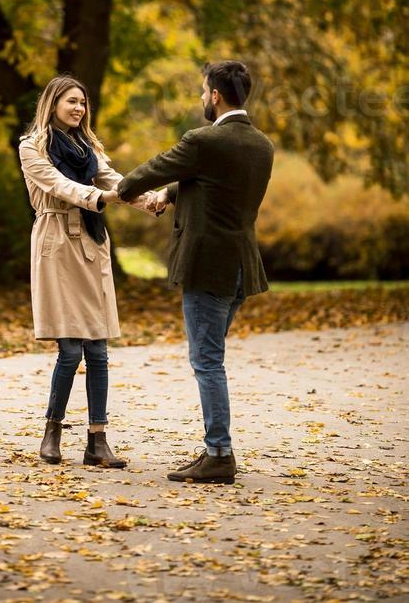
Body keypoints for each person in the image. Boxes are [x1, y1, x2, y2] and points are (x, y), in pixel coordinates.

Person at [116, 60, 275, 484]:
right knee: (211, 358)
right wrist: (168, 196)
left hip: (209, 269)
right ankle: (214, 448)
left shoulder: (203, 140)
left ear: (216, 95)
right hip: (242, 266)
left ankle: (219, 454)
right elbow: (214, 186)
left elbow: (156, 167)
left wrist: (123, 190)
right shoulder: (261, 145)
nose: (202, 98)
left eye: (204, 91)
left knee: (207, 362)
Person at [18, 74, 158, 468]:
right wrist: (101, 197)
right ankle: (52, 431)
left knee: (97, 348)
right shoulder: (32, 147)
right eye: (71, 101)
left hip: (91, 245)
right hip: (57, 243)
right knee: (69, 349)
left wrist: (148, 199)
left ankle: (98, 441)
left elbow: (113, 180)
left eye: (83, 102)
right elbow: (60, 186)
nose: (79, 108)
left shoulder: (88, 147)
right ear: (53, 103)